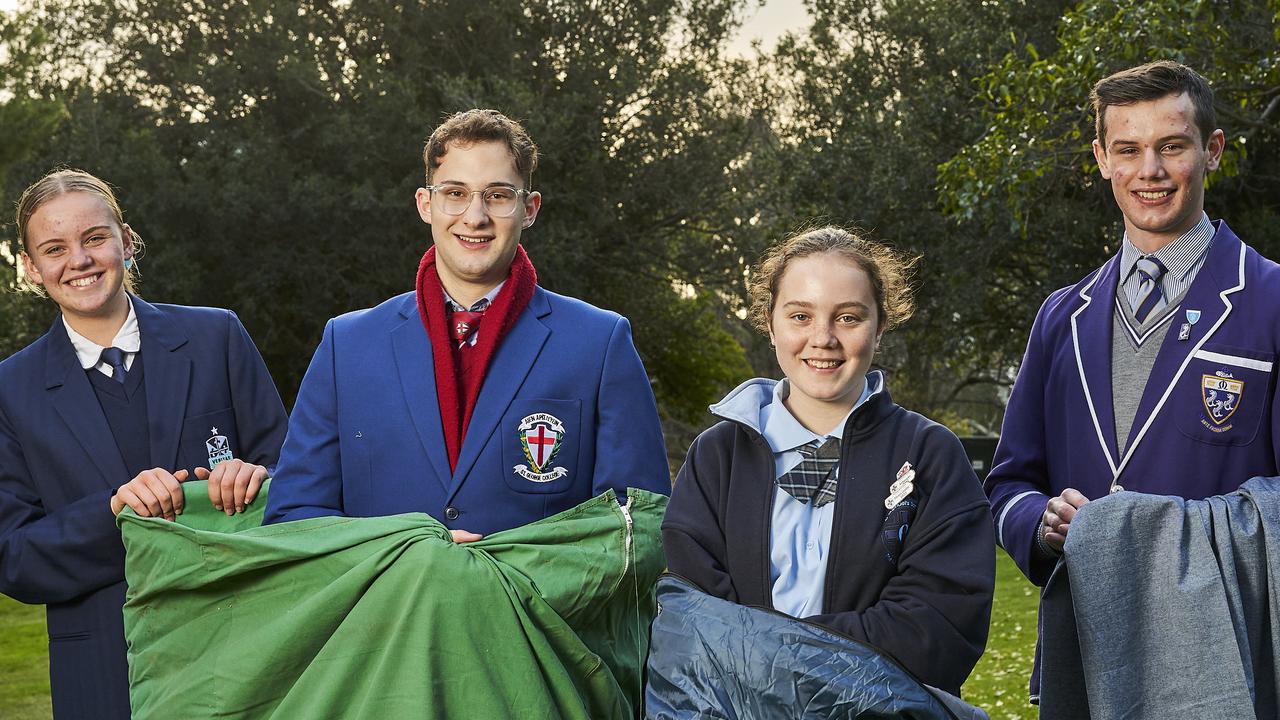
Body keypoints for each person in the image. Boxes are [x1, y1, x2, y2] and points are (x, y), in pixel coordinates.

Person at [264, 109, 670, 538]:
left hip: (534, 606)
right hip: (384, 605)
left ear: (529, 209)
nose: (474, 216)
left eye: (497, 195)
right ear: (426, 204)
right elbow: (295, 516)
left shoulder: (599, 343)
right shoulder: (345, 345)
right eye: (455, 193)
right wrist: (408, 561)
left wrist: (497, 575)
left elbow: (634, 525)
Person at [0, 169, 289, 719]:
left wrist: (256, 480)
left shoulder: (216, 338)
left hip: (244, 650)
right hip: (106, 674)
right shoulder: (9, 391)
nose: (79, 260)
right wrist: (113, 512)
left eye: (94, 238)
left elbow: (296, 482)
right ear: (32, 269)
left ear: (125, 242)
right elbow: (12, 556)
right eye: (54, 248)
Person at [661, 226, 995, 696]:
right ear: (769, 321)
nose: (823, 338)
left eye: (848, 318)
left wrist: (777, 658)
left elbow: (939, 624)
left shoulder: (929, 455)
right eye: (800, 316)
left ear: (880, 325)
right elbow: (692, 620)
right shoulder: (717, 458)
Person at [985, 60, 1280, 587]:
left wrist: (1152, 531)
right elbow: (1008, 484)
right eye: (1128, 150)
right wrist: (1041, 524)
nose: (1150, 171)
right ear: (1102, 159)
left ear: (1211, 151)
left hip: (1222, 652)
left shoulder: (1272, 300)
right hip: (1085, 646)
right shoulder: (1059, 317)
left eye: (1172, 146)